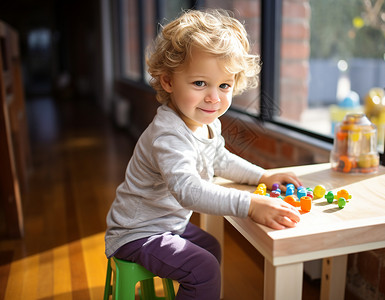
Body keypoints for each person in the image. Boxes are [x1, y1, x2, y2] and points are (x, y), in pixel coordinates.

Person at [105, 9, 302, 300]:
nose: (214, 97)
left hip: (168, 226)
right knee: (204, 269)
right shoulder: (169, 134)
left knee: (212, 249)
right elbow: (188, 190)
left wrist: (262, 176)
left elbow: (219, 159)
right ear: (169, 82)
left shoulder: (206, 122)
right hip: (137, 233)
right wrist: (249, 204)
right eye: (200, 83)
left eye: (224, 85)